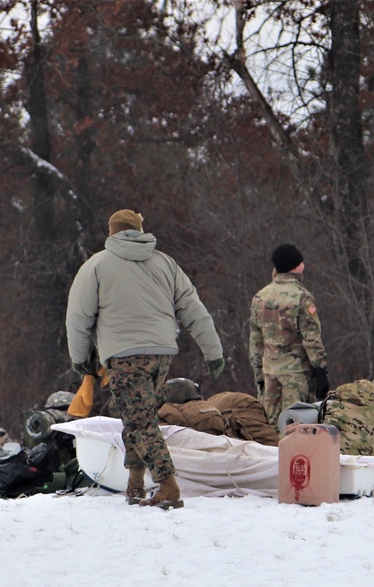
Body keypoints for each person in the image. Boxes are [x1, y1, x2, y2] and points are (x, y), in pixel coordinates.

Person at [66, 209, 224, 509]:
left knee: (140, 422)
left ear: (111, 232)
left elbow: (78, 317)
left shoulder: (96, 265)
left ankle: (168, 486)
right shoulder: (166, 263)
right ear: (140, 230)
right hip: (161, 354)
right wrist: (213, 352)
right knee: (138, 416)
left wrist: (79, 358)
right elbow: (194, 309)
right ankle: (135, 484)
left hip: (124, 355)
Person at [249, 243, 329, 435]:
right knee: (296, 429)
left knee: (270, 430)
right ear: (296, 266)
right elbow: (312, 338)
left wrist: (259, 375)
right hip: (296, 374)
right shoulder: (302, 297)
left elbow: (255, 341)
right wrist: (321, 370)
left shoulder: (260, 297)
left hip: (270, 374)